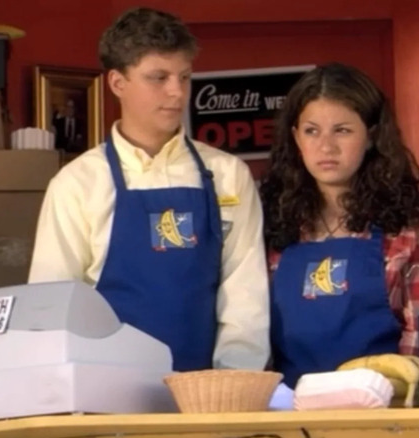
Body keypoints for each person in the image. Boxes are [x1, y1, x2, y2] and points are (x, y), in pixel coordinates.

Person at [28, 7, 270, 372]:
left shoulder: (228, 175)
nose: (176, 92)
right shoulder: (77, 184)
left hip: (207, 396)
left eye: (184, 77)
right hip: (106, 397)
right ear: (117, 83)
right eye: (158, 77)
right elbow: (51, 305)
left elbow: (245, 294)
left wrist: (233, 384)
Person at [259, 62, 419, 388]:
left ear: (371, 136)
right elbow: (254, 338)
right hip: (288, 418)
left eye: (342, 130)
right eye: (312, 131)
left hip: (383, 419)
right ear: (296, 138)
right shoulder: (272, 229)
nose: (326, 146)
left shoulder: (410, 230)